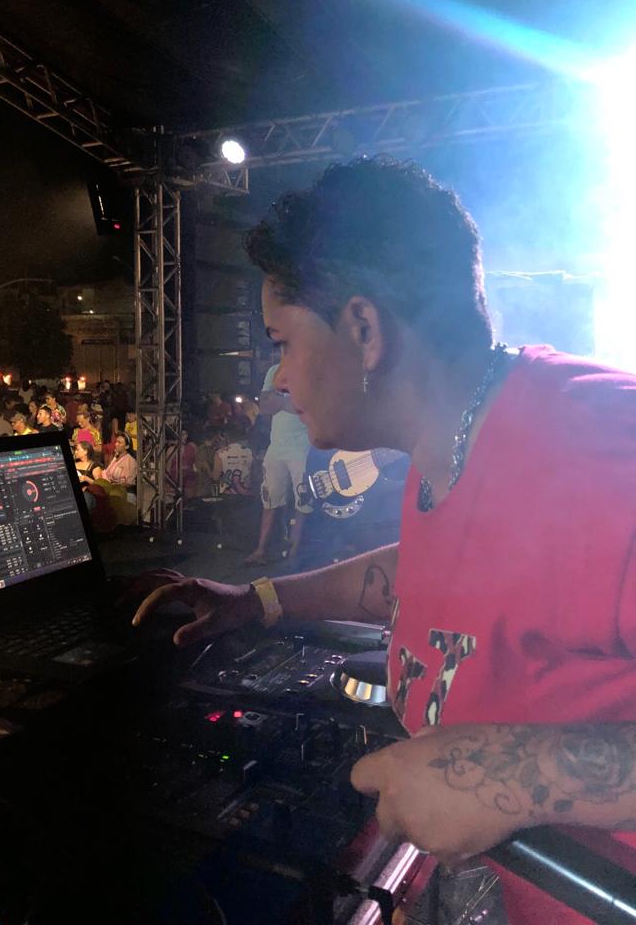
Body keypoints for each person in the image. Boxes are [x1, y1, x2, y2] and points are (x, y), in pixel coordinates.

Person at [133, 156, 636, 925]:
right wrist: (259, 600)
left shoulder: (605, 449)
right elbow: (439, 574)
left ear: (364, 330)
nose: (278, 379)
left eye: (281, 342)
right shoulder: (453, 444)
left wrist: (515, 770)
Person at [244, 360, 312, 565]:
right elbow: (264, 407)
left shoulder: (309, 368)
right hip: (277, 447)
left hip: (302, 447)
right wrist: (287, 402)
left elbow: (306, 408)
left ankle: (293, 553)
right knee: (270, 499)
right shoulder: (274, 370)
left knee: (303, 501)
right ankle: (261, 550)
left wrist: (279, 402)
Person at [211, 422, 253, 496]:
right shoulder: (249, 452)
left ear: (226, 436)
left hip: (227, 496)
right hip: (246, 495)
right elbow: (253, 474)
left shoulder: (220, 453)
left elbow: (215, 477)